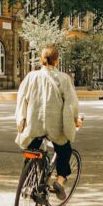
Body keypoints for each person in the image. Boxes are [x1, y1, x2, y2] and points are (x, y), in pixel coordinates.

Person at [15, 44, 82, 196]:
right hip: (55, 125)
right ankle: (59, 181)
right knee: (64, 150)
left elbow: (21, 100)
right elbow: (71, 103)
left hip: (34, 123)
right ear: (56, 61)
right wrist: (74, 120)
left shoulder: (31, 77)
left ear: (41, 59)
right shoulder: (64, 79)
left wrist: (21, 122)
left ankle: (27, 181)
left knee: (31, 150)